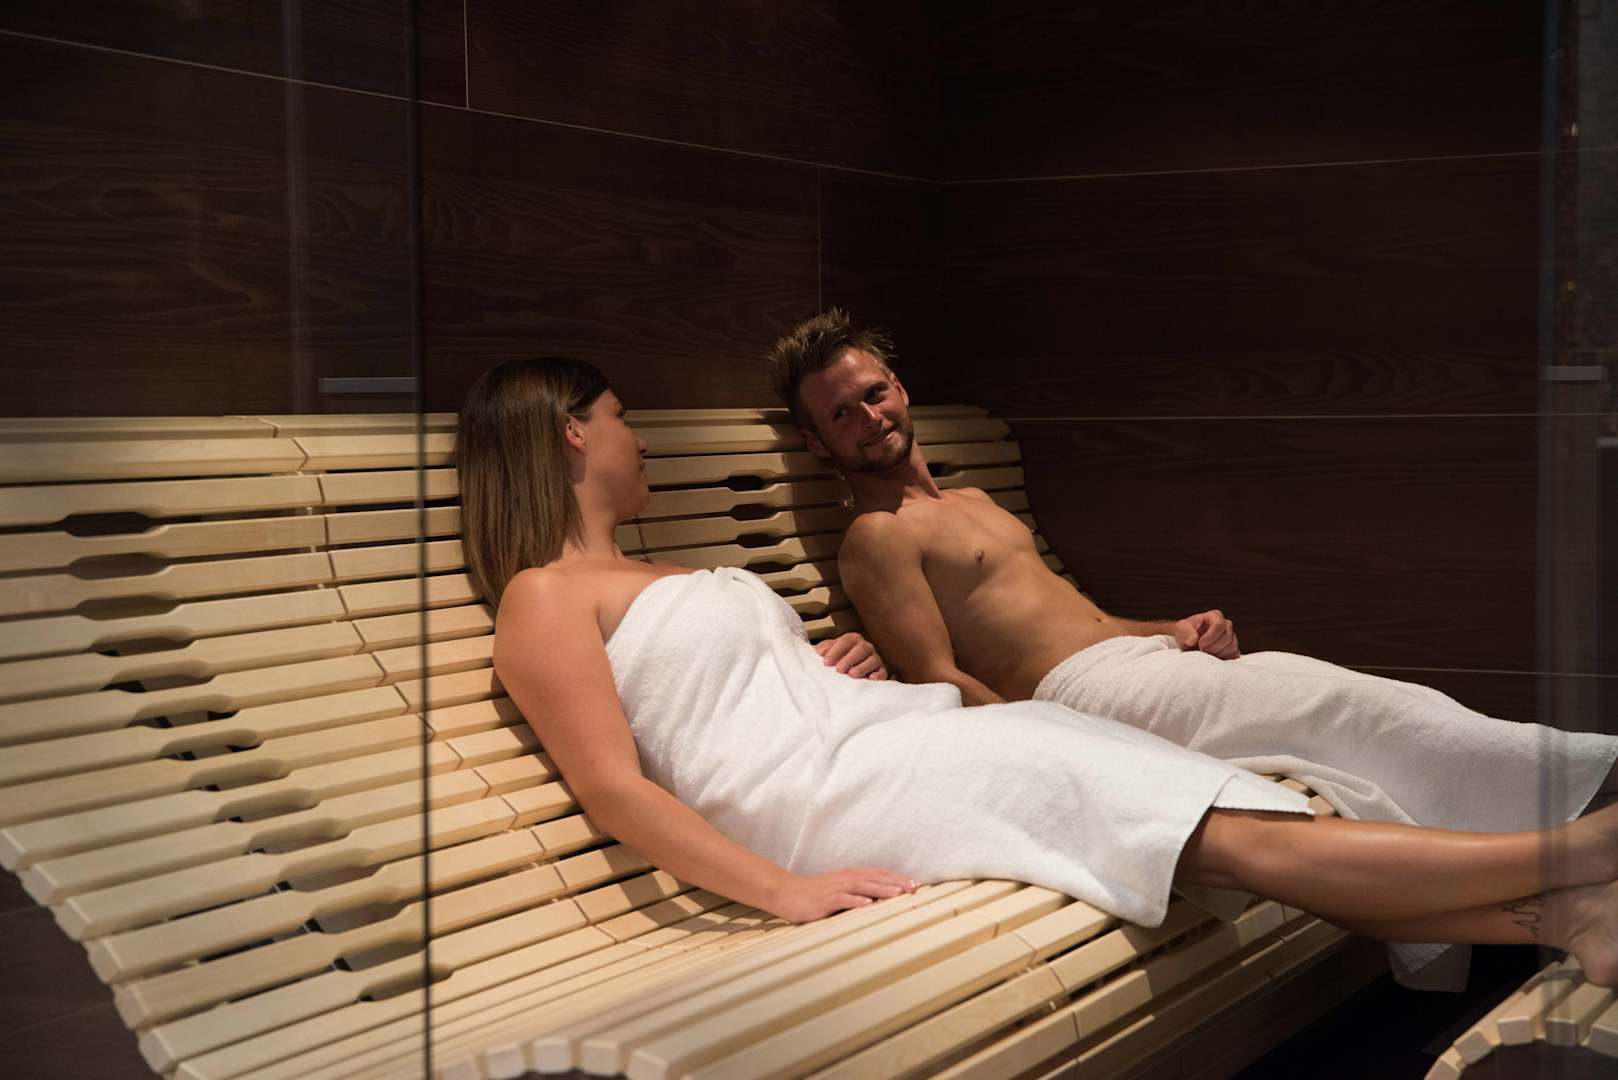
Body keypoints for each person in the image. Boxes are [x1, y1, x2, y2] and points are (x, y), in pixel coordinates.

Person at [464, 355, 1618, 989]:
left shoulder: (655, 575)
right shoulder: (541, 597)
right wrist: (779, 890)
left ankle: (1565, 917)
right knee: (1201, 824)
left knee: (1209, 803)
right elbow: (611, 783)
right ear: (570, 433)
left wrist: (815, 667)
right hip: (826, 797)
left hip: (892, 738)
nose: (639, 437)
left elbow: (714, 693)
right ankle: (1571, 853)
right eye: (621, 417)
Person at [766, 309, 1618, 985]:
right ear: (816, 443)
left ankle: (1575, 875)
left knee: (1344, 719)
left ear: (899, 387)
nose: (869, 418)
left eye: (873, 393)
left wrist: (1171, 629)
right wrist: (1066, 745)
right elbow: (938, 677)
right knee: (1346, 705)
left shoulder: (975, 504)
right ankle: (1591, 808)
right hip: (1082, 702)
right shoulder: (878, 537)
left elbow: (1084, 621)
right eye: (841, 415)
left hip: (1139, 668)